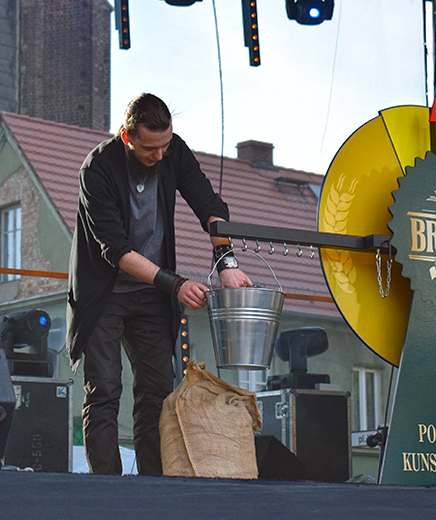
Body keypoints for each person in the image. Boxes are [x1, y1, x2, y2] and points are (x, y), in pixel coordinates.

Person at [67, 93, 252, 475]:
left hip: (151, 296)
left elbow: (209, 204)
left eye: (166, 145)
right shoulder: (97, 168)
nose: (160, 155)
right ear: (126, 137)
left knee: (158, 393)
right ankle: (107, 489)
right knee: (104, 391)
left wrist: (225, 262)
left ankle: (153, 487)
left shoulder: (174, 152)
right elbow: (115, 250)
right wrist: (175, 283)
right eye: (151, 148)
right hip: (104, 294)